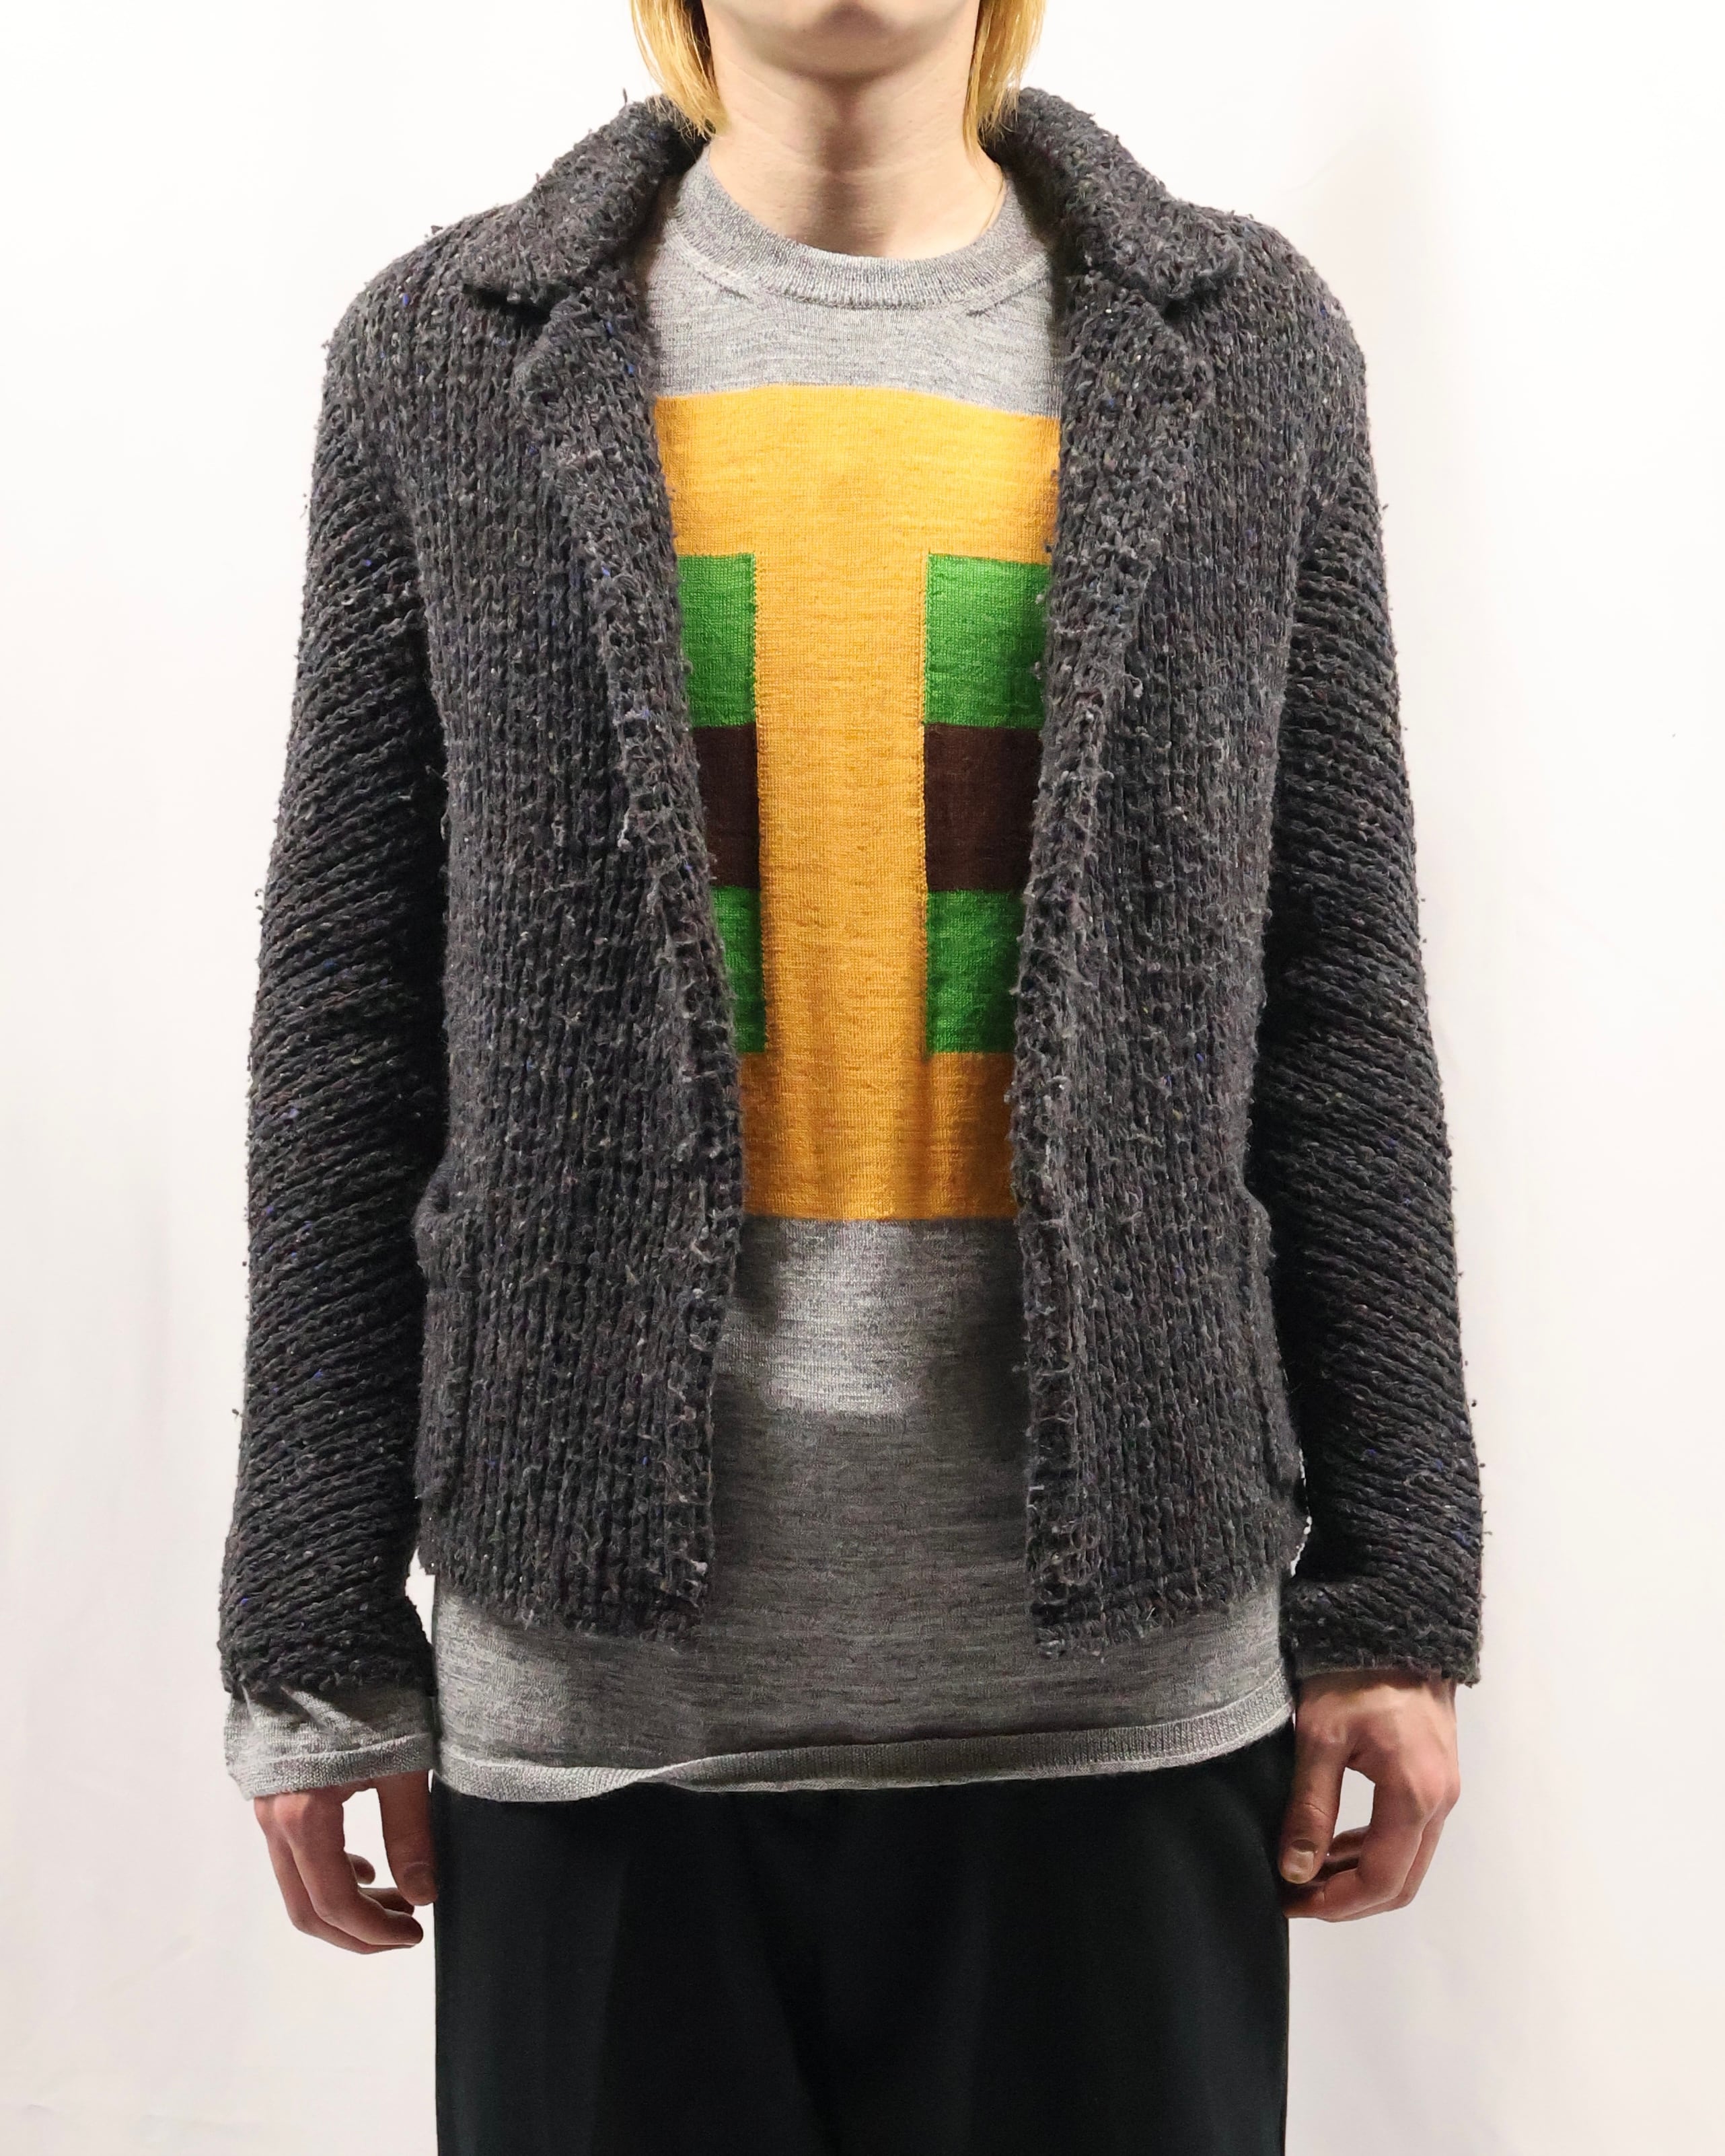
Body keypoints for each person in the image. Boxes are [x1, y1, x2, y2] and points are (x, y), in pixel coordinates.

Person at [218, 3, 1484, 2149]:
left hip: (1118, 1685)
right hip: (599, 1693)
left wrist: (1394, 1590)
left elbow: (1338, 996)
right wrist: (310, 1619)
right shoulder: (446, 351)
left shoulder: (1242, 346)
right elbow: (347, 1024)